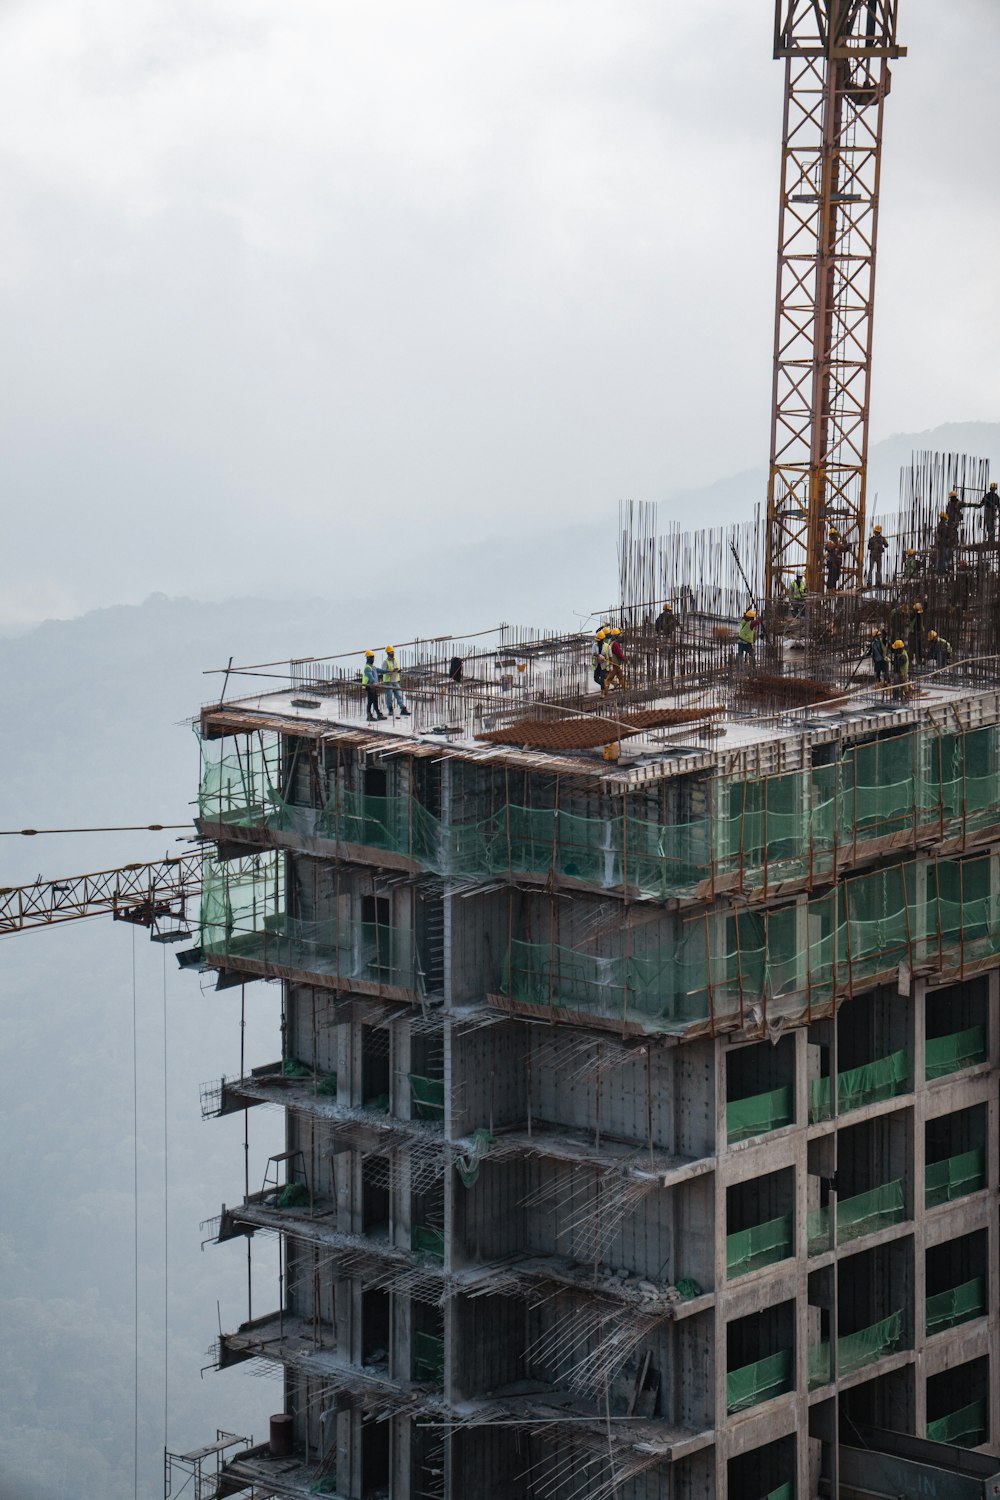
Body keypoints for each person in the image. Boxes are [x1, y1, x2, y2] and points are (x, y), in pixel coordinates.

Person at [381, 646, 410, 717]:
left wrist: (398, 670)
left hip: (395, 681)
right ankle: (390, 709)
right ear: (388, 653)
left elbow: (397, 668)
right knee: (389, 696)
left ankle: (403, 709)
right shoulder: (385, 662)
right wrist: (391, 671)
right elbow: (383, 672)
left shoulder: (395, 660)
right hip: (388, 682)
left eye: (393, 652)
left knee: (399, 695)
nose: (392, 653)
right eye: (391, 652)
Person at [654, 604, 678, 683]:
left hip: (661, 636)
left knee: (662, 652)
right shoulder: (671, 616)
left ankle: (661, 673)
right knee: (669, 653)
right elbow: (676, 623)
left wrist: (658, 632)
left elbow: (656, 626)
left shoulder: (659, 617)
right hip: (668, 636)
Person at [362, 651, 385, 721]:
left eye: (373, 657)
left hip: (374, 686)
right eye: (371, 657)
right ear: (368, 658)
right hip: (369, 686)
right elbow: (370, 676)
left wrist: (390, 671)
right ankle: (369, 716)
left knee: (375, 700)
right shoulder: (367, 668)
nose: (373, 659)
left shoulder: (373, 667)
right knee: (370, 701)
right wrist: (374, 682)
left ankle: (378, 714)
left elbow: (381, 671)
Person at [605, 627, 627, 692]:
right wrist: (624, 659)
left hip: (614, 662)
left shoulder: (611, 642)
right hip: (615, 662)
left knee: (620, 676)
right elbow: (619, 653)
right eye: (619, 634)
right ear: (617, 635)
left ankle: (625, 687)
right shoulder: (615, 644)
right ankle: (604, 690)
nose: (620, 635)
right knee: (609, 678)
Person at [907, 600, 925, 666]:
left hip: (919, 633)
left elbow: (925, 608)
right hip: (912, 634)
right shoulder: (913, 615)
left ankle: (919, 661)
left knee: (919, 648)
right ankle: (910, 662)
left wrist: (925, 601)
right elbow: (912, 617)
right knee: (911, 648)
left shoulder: (919, 615)